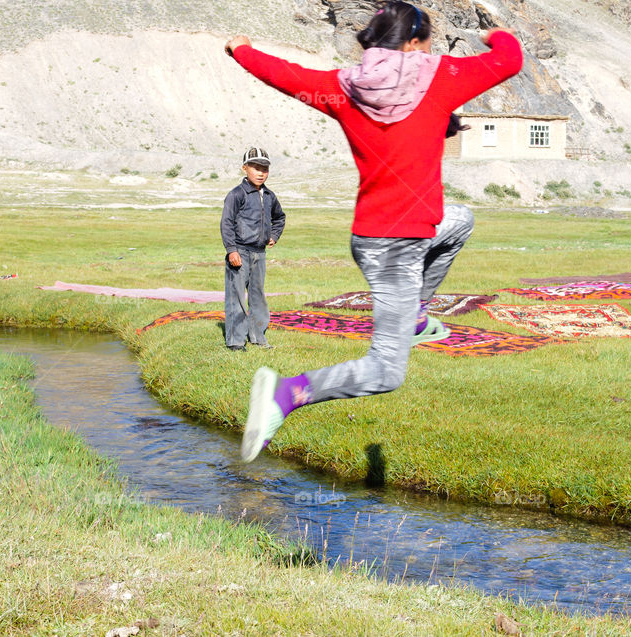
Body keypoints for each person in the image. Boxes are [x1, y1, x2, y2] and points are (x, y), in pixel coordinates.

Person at [224, 2, 523, 461]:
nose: (429, 50)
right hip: (397, 250)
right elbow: (510, 60)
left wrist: (241, 50)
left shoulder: (342, 88)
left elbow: (285, 75)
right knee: (386, 372)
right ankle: (285, 394)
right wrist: (496, 35)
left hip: (376, 235)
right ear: (414, 42)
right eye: (428, 42)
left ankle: (418, 317)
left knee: (459, 220)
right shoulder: (440, 75)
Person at [221, 147, 286, 351]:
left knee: (257, 296)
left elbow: (280, 217)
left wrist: (273, 235)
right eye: (256, 168)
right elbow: (227, 223)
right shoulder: (237, 194)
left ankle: (258, 336)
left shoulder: (269, 195)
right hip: (240, 251)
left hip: (260, 253)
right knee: (237, 297)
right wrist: (232, 250)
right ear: (244, 168)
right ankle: (236, 341)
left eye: (265, 169)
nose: (261, 173)